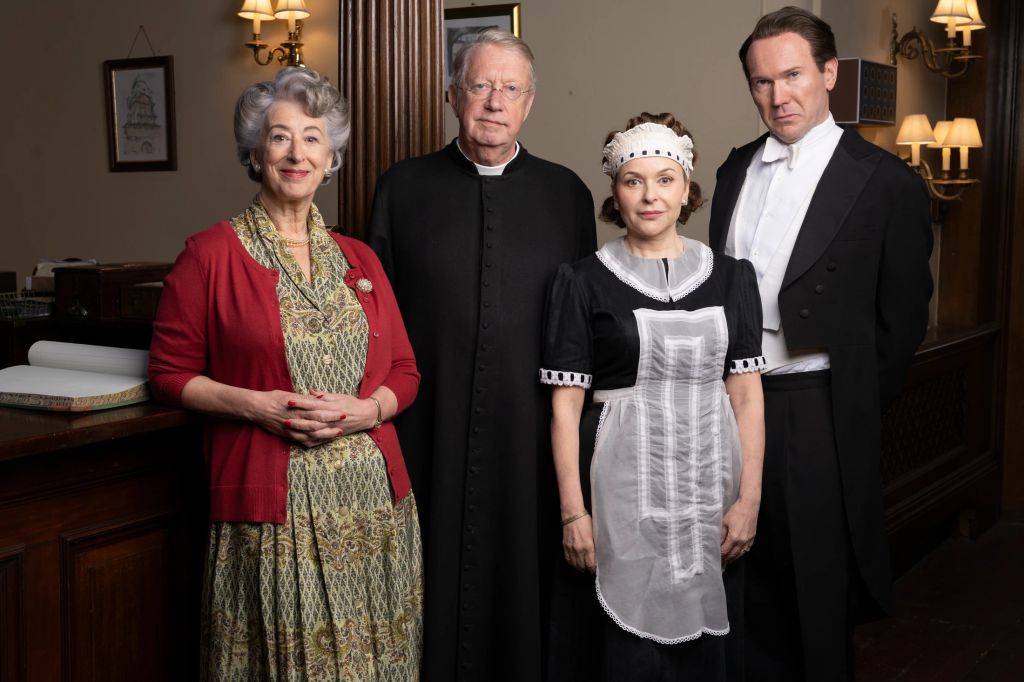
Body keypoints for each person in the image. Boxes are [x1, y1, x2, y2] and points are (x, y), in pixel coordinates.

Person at [148, 67, 423, 680]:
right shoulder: (211, 254)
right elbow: (168, 374)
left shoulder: (361, 257)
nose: (296, 153)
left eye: (312, 138)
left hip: (373, 509)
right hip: (275, 516)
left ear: (332, 159)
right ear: (254, 151)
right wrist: (257, 406)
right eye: (279, 137)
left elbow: (404, 369)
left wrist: (368, 410)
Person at [708, 7, 934, 680]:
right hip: (727, 403)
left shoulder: (886, 181)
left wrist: (846, 405)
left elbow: (903, 322)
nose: (778, 96)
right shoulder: (734, 168)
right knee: (735, 586)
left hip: (816, 408)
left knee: (815, 589)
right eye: (761, 82)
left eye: (794, 75)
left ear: (829, 73)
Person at [366, 29, 597, 681]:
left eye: (510, 88)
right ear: (451, 95)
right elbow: (372, 319)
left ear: (530, 103)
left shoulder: (567, 194)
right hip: (426, 429)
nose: (494, 102)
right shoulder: (402, 188)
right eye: (480, 85)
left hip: (531, 435)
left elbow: (585, 328)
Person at [541, 112, 765, 681]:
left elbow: (745, 395)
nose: (650, 196)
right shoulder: (582, 280)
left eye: (665, 179)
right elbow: (565, 406)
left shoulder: (732, 278)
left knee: (709, 642)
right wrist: (574, 513)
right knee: (622, 649)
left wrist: (749, 501)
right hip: (621, 491)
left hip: (713, 489)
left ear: (687, 188)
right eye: (633, 181)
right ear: (615, 193)